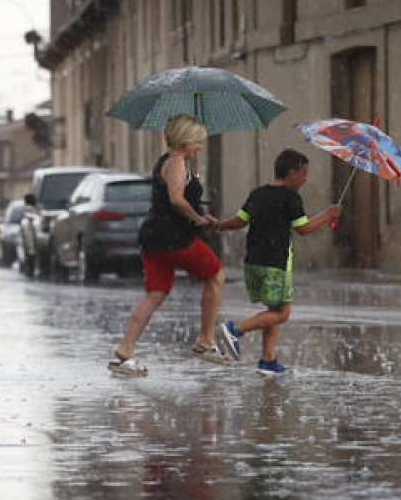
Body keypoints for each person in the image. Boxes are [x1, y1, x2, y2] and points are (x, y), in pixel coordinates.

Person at [109, 115, 226, 376]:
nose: (199, 146)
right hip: (175, 238)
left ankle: (125, 350)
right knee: (216, 275)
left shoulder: (171, 161)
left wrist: (199, 213)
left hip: (155, 237)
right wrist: (197, 220)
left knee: (156, 293)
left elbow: (178, 198)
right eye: (197, 141)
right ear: (186, 140)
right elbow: (176, 199)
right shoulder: (176, 163)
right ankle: (205, 341)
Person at [216, 149, 341, 376]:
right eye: (303, 173)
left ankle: (268, 359)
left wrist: (218, 225)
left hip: (253, 261)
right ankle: (235, 329)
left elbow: (239, 221)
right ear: (291, 173)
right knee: (282, 313)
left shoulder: (258, 193)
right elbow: (303, 229)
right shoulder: (291, 198)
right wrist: (329, 214)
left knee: (272, 309)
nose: (305, 179)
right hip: (275, 263)